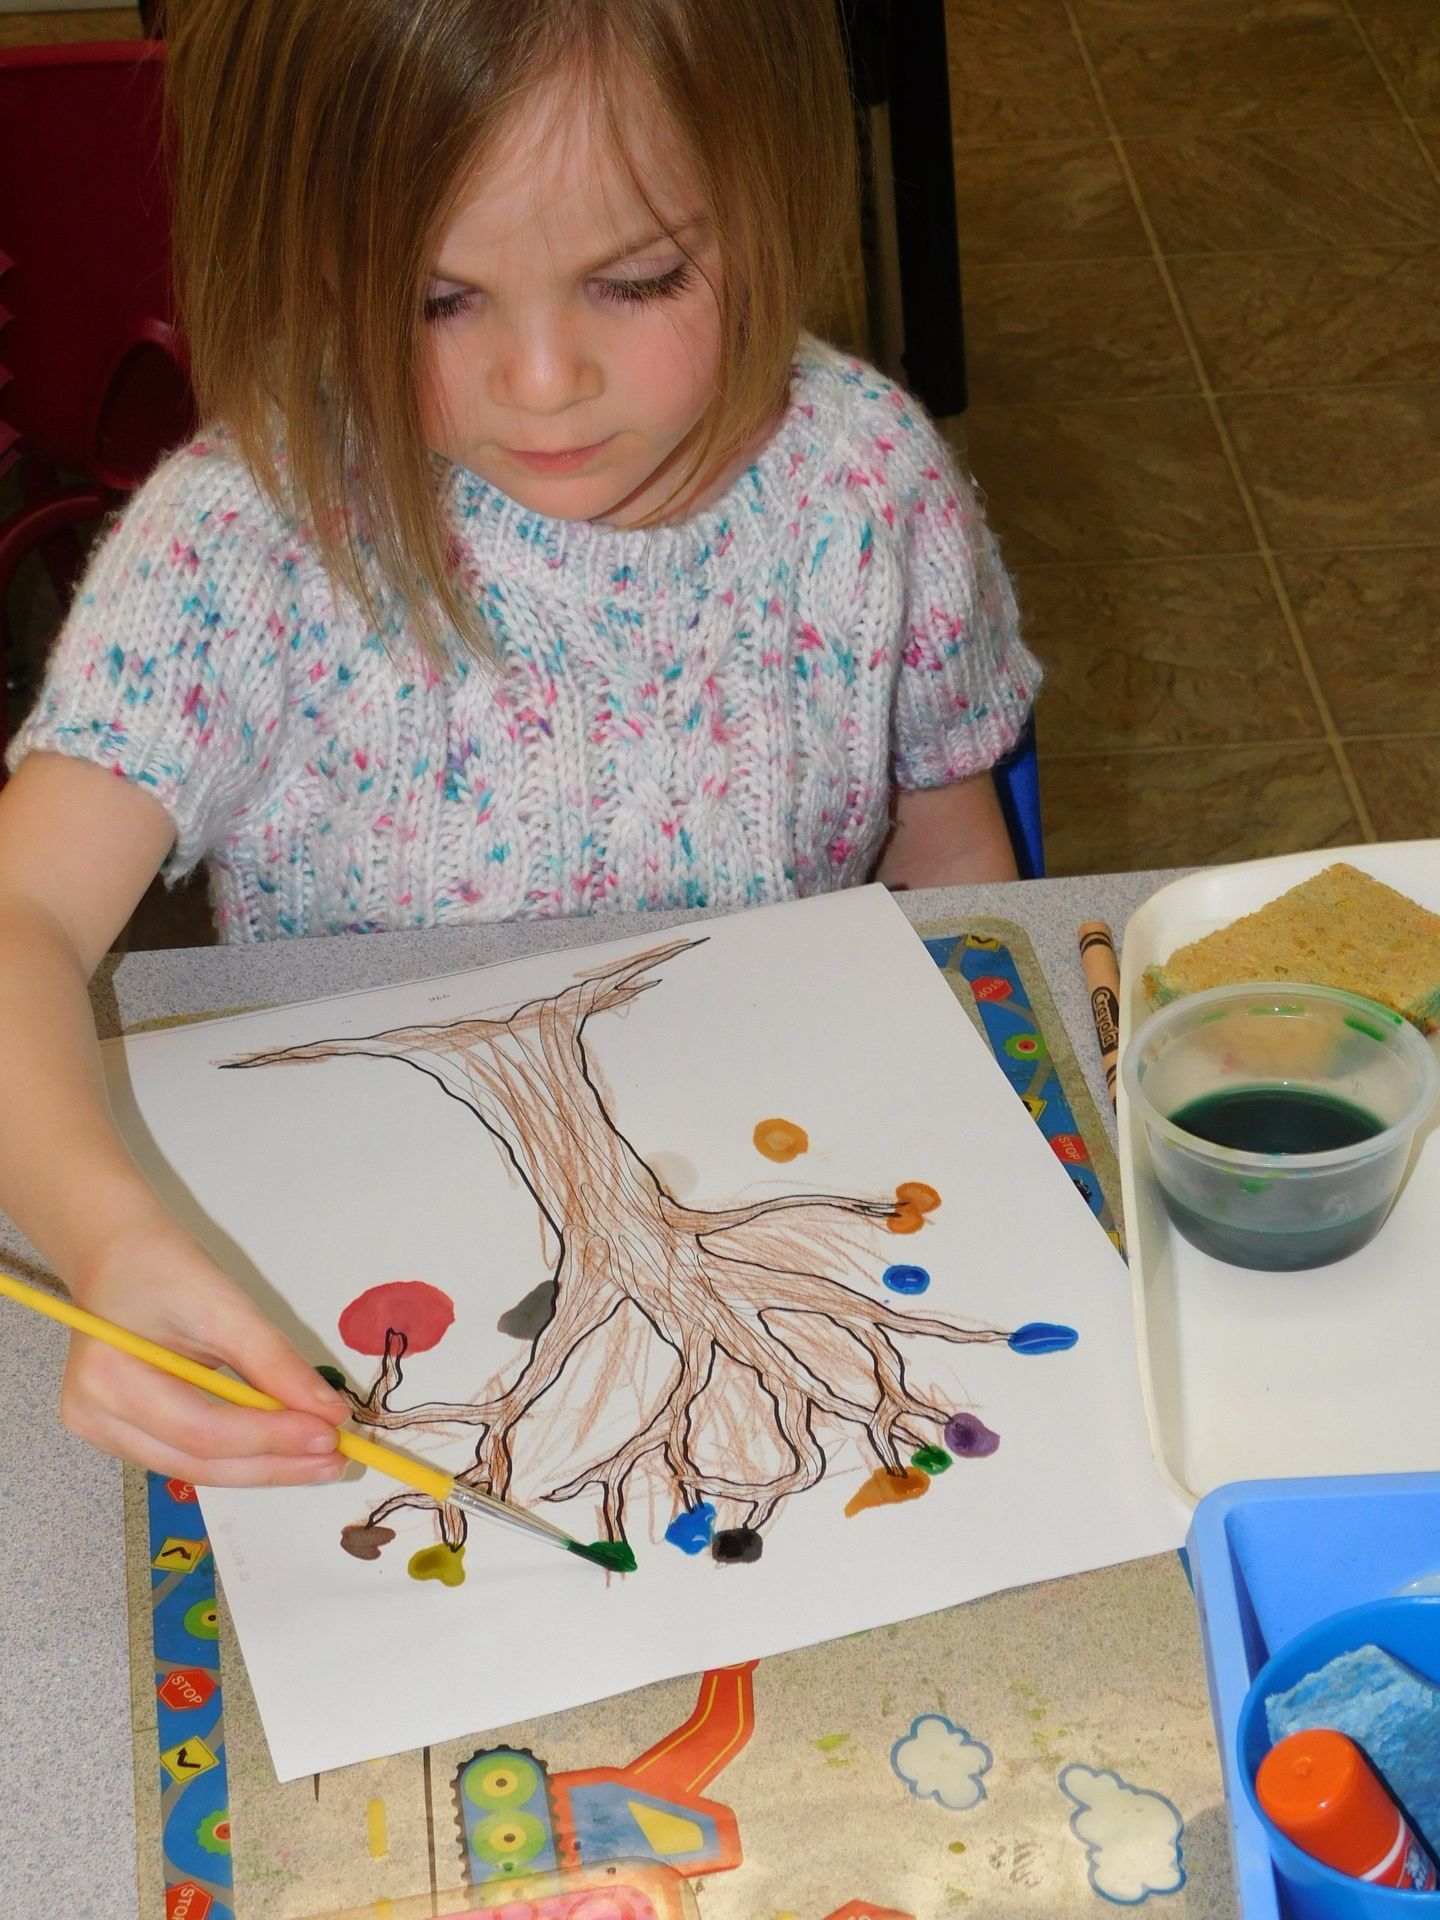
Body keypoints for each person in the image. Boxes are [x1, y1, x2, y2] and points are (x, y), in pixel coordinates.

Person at [0, 0, 1040, 1489]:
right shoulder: (251, 538)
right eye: (434, 301)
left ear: (770, 190)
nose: (543, 379)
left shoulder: (866, 480)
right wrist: (105, 1234)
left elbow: (952, 853)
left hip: (795, 1190)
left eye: (637, 280)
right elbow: (20, 916)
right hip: (355, 1290)